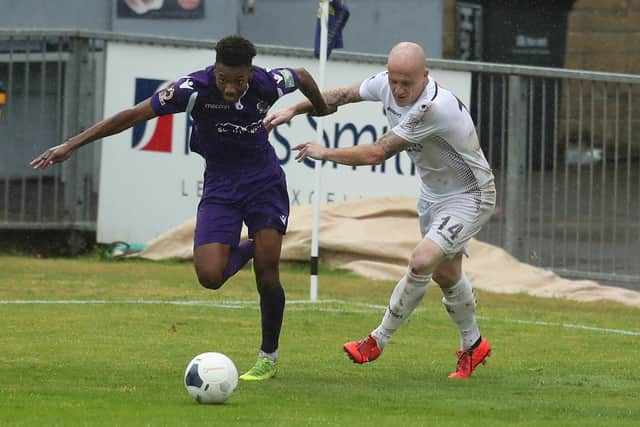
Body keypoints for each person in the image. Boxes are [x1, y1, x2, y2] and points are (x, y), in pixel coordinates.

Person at [31, 35, 332, 381]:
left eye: (238, 80)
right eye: (223, 79)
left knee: (268, 274)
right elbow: (133, 114)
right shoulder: (191, 90)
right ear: (214, 70)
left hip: (264, 182)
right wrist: (71, 145)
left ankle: (268, 356)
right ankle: (254, 248)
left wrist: (320, 106)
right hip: (221, 185)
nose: (231, 89)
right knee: (210, 277)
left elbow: (304, 75)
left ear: (250, 72)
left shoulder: (267, 82)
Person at [264, 42, 496, 379]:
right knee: (446, 274)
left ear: (425, 77)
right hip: (434, 195)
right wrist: (295, 109)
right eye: (394, 81)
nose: (399, 90)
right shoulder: (388, 85)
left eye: (407, 84)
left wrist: (322, 152)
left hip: (470, 195)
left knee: (421, 260)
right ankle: (473, 345)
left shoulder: (432, 108)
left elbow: (376, 153)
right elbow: (343, 95)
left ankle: (377, 339)